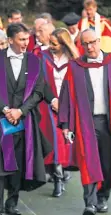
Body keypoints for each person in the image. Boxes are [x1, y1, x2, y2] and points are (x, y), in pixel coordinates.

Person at [58, 29, 111, 215]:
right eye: (85, 44)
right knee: (88, 160)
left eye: (93, 42)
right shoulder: (75, 67)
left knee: (107, 162)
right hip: (86, 122)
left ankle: (103, 197)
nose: (90, 47)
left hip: (110, 122)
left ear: (99, 40)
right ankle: (90, 203)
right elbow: (67, 97)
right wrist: (66, 124)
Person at [0, 23, 51, 215]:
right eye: (21, 39)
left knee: (18, 160)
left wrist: (20, 111)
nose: (25, 43)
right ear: (10, 40)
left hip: (23, 119)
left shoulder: (34, 61)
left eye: (27, 39)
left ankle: (12, 203)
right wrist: (4, 109)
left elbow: (38, 92)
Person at [39, 28, 80, 197]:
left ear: (64, 44)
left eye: (55, 44)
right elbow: (39, 81)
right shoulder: (43, 57)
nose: (51, 46)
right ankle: (57, 178)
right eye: (50, 43)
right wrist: (52, 100)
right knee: (53, 143)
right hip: (48, 105)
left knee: (66, 143)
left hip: (69, 105)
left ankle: (64, 172)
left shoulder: (75, 60)